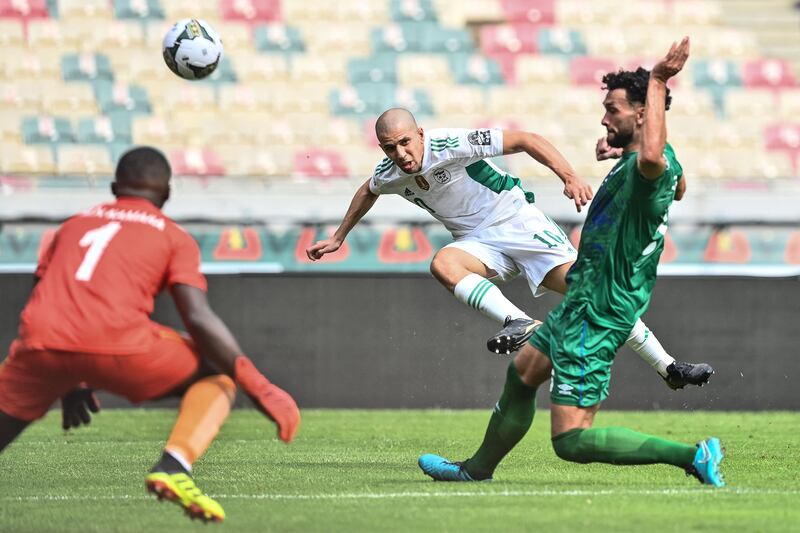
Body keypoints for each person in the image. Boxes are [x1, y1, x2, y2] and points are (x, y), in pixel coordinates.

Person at [418, 37, 725, 487]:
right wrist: (624, 152)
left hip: (600, 310)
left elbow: (656, 162)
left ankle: (693, 455)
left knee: (571, 441)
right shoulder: (652, 165)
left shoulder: (651, 164)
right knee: (524, 373)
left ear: (642, 113)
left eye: (613, 109)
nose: (604, 117)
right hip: (587, 297)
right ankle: (475, 469)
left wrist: (658, 80)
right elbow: (674, 184)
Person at [306, 108, 711, 389]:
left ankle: (669, 367)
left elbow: (525, 139)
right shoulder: (390, 172)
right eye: (390, 148)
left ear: (421, 134)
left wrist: (568, 176)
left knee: (595, 298)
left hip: (517, 222)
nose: (401, 154)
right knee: (443, 263)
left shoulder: (451, 142)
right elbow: (367, 190)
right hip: (478, 243)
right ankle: (517, 321)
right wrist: (340, 235)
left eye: (405, 143)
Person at [0, 147, 301, 522]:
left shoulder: (71, 226)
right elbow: (198, 318)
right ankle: (175, 466)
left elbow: (43, 295)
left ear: (114, 187)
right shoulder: (174, 236)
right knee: (215, 374)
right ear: (168, 194)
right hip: (121, 345)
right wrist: (258, 386)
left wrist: (70, 379)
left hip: (40, 346)